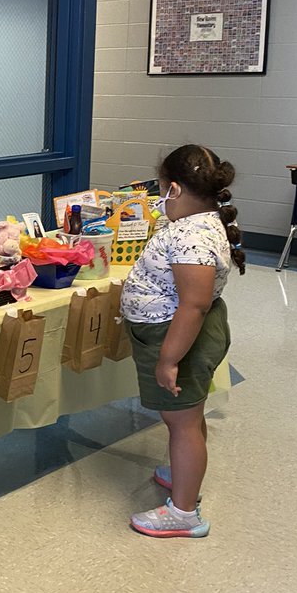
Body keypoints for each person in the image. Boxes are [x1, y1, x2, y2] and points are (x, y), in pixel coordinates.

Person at [121, 144, 245, 539]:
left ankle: (184, 512)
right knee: (188, 416)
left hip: (176, 336)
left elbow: (193, 304)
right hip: (171, 330)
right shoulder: (201, 223)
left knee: (183, 422)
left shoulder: (193, 236)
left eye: (161, 191)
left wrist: (169, 360)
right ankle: (183, 475)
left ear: (174, 189)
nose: (160, 200)